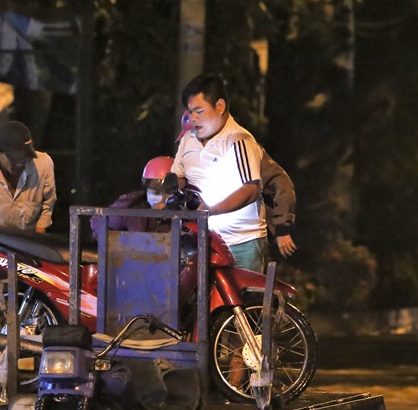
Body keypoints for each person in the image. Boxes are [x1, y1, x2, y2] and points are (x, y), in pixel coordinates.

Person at [171, 73, 268, 272]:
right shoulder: (188, 139)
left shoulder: (239, 140)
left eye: (199, 111)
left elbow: (250, 189)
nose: (193, 118)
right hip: (201, 240)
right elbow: (178, 175)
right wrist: (174, 190)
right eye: (190, 112)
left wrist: (210, 210)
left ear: (220, 106)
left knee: (242, 303)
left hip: (241, 243)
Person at [176, 110, 298, 259]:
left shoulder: (242, 147)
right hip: (205, 237)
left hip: (244, 239)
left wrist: (281, 228)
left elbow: (279, 182)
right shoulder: (194, 156)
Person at [89, 155, 175, 239]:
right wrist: (118, 242)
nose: (161, 199)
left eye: (168, 193)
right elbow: (98, 220)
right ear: (146, 190)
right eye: (156, 192)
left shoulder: (184, 213)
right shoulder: (132, 207)